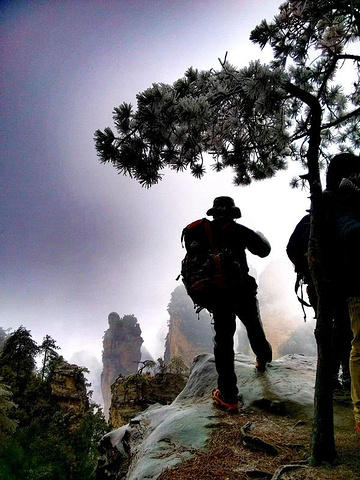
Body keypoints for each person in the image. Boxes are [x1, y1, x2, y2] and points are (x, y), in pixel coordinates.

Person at [201, 196, 272, 412]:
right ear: (232, 213)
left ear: (214, 213)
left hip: (218, 295)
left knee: (223, 341)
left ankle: (228, 396)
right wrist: (259, 235)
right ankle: (262, 358)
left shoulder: (204, 233)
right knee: (252, 324)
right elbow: (263, 250)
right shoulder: (238, 230)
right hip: (242, 290)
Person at [287, 212, 352, 393]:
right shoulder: (343, 217)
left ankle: (330, 378)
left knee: (327, 330)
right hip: (344, 284)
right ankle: (347, 376)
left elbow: (291, 249)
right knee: (346, 328)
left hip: (317, 285)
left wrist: (307, 271)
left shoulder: (308, 220)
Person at [324, 153, 360, 434]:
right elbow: (349, 231)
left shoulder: (327, 208)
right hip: (351, 285)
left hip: (338, 286)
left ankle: (341, 380)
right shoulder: (340, 206)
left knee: (343, 335)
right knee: (349, 339)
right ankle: (348, 389)